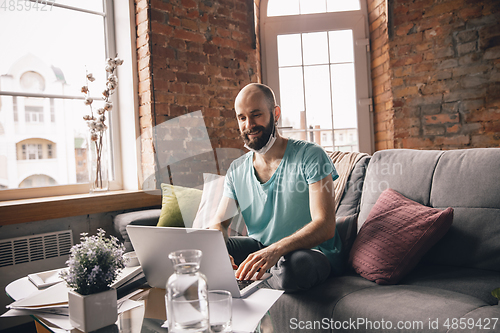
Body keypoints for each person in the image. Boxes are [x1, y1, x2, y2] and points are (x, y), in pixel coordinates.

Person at [210, 83, 343, 292]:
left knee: (292, 268)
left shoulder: (311, 155)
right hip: (261, 248)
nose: (249, 125)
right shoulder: (237, 170)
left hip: (309, 252)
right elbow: (219, 224)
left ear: (276, 113)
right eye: (242, 118)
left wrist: (275, 250)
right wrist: (218, 252)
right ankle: (253, 280)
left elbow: (325, 225)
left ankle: (251, 283)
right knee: (204, 250)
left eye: (256, 115)